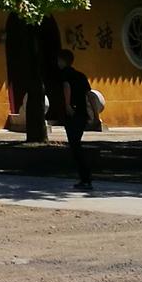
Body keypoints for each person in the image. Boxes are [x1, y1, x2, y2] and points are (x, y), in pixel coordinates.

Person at [58, 48, 94, 190]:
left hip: (72, 114)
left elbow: (67, 87)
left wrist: (67, 105)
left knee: (75, 146)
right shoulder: (81, 76)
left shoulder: (65, 74)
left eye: (58, 60)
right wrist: (96, 115)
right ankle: (85, 177)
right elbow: (90, 95)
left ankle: (86, 177)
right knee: (76, 144)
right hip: (82, 114)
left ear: (63, 61)